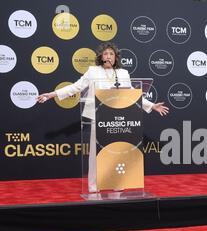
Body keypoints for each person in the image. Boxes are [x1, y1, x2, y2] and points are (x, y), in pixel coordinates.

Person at [37, 42, 169, 192]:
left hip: (118, 117)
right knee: (96, 154)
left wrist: (152, 105)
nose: (108, 56)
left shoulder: (123, 73)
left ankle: (116, 184)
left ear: (116, 57)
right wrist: (52, 95)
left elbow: (132, 93)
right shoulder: (93, 71)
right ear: (101, 57)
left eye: (111, 54)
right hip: (98, 116)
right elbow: (76, 87)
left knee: (116, 151)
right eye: (106, 54)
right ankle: (93, 187)